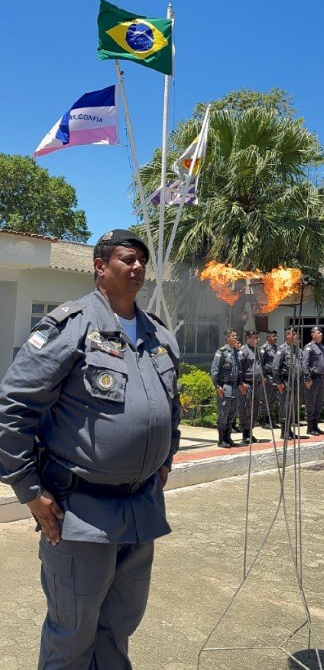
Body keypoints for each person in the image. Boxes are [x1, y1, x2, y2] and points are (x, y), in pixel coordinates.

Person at [0, 228, 180, 670]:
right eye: (125, 259)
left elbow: (170, 408)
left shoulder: (159, 334)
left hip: (141, 509)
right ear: (99, 267)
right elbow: (14, 406)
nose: (137, 267)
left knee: (119, 628)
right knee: (73, 634)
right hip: (79, 511)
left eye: (141, 260)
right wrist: (28, 489)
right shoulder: (71, 325)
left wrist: (164, 458)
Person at [272, 327, 305, 439]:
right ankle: (284, 431)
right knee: (286, 406)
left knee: (293, 407)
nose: (296, 336)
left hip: (297, 382)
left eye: (297, 334)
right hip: (286, 382)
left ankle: (290, 430)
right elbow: (275, 367)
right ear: (287, 336)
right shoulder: (282, 349)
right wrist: (278, 382)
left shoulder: (297, 350)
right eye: (294, 334)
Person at [211, 328, 241, 448]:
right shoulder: (221, 352)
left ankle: (228, 438)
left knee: (231, 414)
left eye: (235, 336)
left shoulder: (235, 352)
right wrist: (217, 386)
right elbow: (214, 370)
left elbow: (238, 371)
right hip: (225, 387)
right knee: (223, 414)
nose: (235, 338)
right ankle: (221, 440)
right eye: (233, 336)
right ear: (227, 338)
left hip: (234, 387)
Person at [238, 330, 263, 444]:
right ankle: (245, 434)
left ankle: (250, 431)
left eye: (258, 338)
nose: (257, 340)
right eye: (255, 338)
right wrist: (241, 383)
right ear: (248, 338)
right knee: (245, 408)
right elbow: (238, 369)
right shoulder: (243, 351)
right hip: (247, 383)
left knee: (255, 409)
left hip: (257, 384)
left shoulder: (258, 350)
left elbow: (259, 365)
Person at [302, 326, 324, 435]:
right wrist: (307, 378)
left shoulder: (322, 347)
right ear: (313, 335)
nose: (321, 335)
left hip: (321, 380)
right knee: (311, 403)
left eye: (321, 333)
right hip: (312, 380)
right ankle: (310, 427)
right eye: (318, 333)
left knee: (319, 404)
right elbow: (305, 363)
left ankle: (316, 425)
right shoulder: (309, 347)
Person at [259, 329, 280, 428]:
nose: (275, 338)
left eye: (276, 336)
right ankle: (264, 421)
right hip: (267, 377)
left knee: (272, 400)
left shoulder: (277, 349)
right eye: (273, 336)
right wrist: (262, 377)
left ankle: (270, 420)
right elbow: (260, 364)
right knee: (266, 399)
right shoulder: (264, 348)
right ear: (268, 337)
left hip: (275, 378)